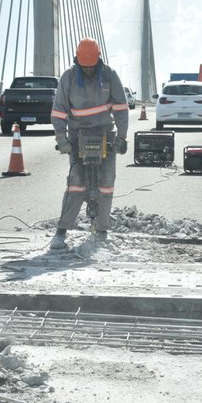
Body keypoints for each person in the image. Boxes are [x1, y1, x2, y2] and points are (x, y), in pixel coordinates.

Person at [48, 38, 129, 249]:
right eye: (85, 67)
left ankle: (101, 230)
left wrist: (122, 137)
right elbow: (58, 112)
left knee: (106, 184)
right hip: (77, 136)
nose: (89, 70)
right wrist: (62, 139)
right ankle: (61, 232)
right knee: (76, 184)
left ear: (98, 60)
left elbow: (121, 108)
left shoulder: (109, 76)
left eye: (92, 66)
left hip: (105, 134)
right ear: (77, 62)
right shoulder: (69, 77)